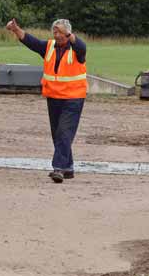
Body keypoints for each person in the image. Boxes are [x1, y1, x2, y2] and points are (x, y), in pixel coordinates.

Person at [6, 18, 88, 183]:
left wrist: (69, 34)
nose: (56, 35)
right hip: (54, 97)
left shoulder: (77, 49)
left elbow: (81, 45)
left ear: (67, 33)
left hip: (73, 98)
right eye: (55, 32)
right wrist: (16, 29)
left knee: (64, 132)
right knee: (58, 134)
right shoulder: (49, 47)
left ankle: (58, 168)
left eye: (60, 32)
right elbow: (30, 41)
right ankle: (68, 167)